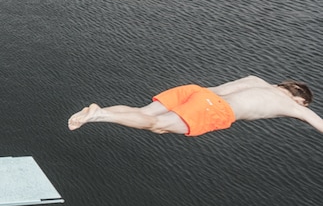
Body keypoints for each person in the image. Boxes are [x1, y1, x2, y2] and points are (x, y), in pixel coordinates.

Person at [68, 76, 323, 137]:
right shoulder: (294, 105)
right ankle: (99, 114)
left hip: (197, 91)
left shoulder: (256, 80)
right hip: (216, 108)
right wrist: (303, 111)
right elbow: (319, 124)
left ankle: (96, 111)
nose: (299, 108)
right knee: (156, 125)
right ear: (297, 97)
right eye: (301, 103)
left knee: (147, 115)